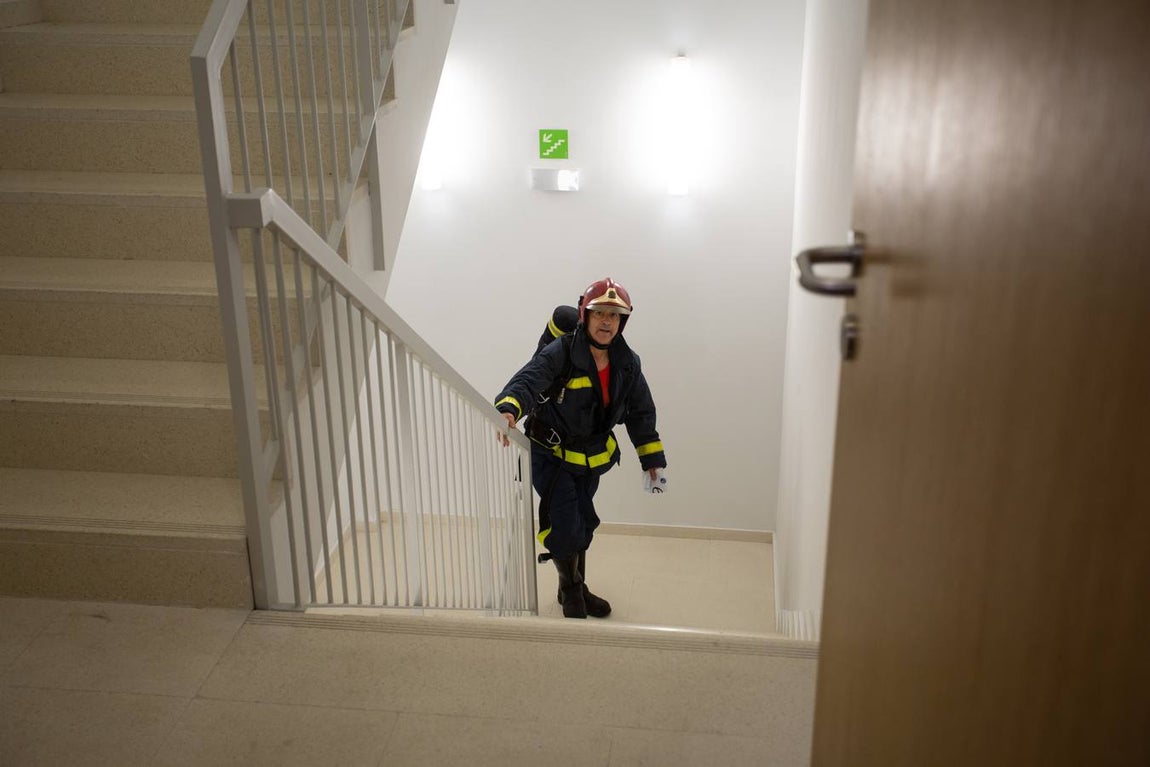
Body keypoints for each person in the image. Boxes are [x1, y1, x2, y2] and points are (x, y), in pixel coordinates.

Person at [494, 278, 667, 619]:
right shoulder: (561, 353)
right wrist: (509, 408)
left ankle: (570, 586)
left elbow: (641, 411)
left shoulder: (628, 363)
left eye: (614, 316)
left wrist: (651, 460)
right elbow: (530, 379)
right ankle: (574, 592)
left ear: (623, 322)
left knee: (584, 523)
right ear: (584, 316)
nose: (607, 322)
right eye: (599, 313)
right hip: (551, 457)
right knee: (564, 525)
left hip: (590, 458)